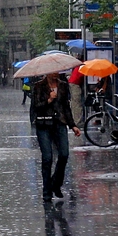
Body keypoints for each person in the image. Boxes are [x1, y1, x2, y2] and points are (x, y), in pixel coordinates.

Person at [31, 70, 81, 204]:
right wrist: (49, 99)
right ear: (46, 72)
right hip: (43, 124)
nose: (55, 74)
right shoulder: (38, 86)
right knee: (47, 158)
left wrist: (72, 125)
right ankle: (47, 191)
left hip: (59, 124)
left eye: (57, 71)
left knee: (64, 154)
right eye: (52, 72)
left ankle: (56, 183)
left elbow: (66, 107)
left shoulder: (63, 85)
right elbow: (36, 106)